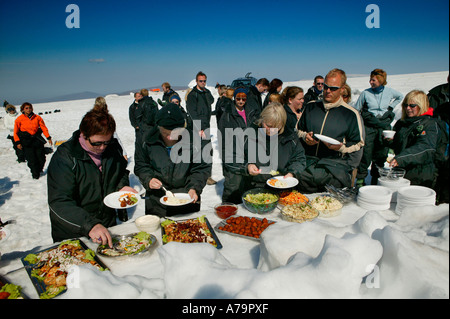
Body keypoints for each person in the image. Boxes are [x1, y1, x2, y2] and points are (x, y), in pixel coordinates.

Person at [47, 108, 134, 246]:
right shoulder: (65, 157)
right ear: (84, 135)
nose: (102, 148)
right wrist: (90, 225)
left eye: (106, 142)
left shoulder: (113, 147)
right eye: (96, 143)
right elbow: (59, 202)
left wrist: (121, 186)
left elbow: (120, 171)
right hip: (75, 231)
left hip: (106, 224)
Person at [134, 103, 211, 217]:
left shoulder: (195, 142)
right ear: (158, 127)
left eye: (175, 133)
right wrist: (148, 179)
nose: (169, 137)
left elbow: (201, 169)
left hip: (186, 198)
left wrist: (194, 187)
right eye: (165, 133)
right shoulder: (146, 140)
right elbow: (141, 165)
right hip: (157, 200)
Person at [297, 68, 365, 193]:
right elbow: (297, 130)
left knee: (329, 209)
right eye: (325, 86)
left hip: (333, 171)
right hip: (307, 169)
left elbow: (359, 143)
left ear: (342, 89)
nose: (328, 91)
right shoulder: (311, 106)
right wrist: (305, 137)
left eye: (333, 88)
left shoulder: (351, 114)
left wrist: (341, 148)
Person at [354, 69, 404, 186]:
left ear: (381, 81)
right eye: (370, 79)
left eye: (373, 80)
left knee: (381, 153)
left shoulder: (390, 92)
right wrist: (365, 115)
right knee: (366, 154)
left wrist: (390, 108)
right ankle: (360, 180)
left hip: (383, 126)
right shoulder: (366, 93)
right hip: (369, 126)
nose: (370, 82)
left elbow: (400, 97)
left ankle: (375, 179)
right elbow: (357, 108)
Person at [385, 90, 440, 188]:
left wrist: (402, 159)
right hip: (401, 170)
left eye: (412, 105)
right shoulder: (402, 123)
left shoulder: (429, 124)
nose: (408, 108)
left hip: (420, 174)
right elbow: (399, 145)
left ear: (421, 105)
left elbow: (425, 147)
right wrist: (389, 141)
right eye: (405, 105)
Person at [246, 102, 306, 189]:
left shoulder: (290, 137)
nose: (271, 130)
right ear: (262, 120)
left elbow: (299, 159)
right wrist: (248, 165)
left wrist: (292, 173)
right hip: (254, 185)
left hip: (281, 184)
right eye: (268, 126)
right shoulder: (250, 133)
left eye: (276, 127)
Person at [218, 87, 258, 203]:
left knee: (247, 183)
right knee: (233, 184)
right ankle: (229, 207)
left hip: (249, 151)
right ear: (234, 98)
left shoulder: (252, 112)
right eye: (238, 98)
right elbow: (223, 138)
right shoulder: (227, 115)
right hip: (234, 151)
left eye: (243, 99)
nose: (241, 101)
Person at [186, 71, 215, 184]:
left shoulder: (205, 92)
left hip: (206, 126)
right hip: (198, 128)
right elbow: (192, 112)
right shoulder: (193, 95)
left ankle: (207, 176)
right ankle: (196, 176)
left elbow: (211, 100)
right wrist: (199, 128)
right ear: (196, 81)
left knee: (208, 151)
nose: (203, 83)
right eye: (200, 81)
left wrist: (206, 92)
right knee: (198, 152)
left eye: (204, 81)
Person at [14, 102, 53, 179]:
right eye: (26, 108)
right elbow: (15, 132)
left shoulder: (37, 117)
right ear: (23, 109)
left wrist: (48, 137)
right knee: (31, 159)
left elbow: (43, 127)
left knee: (41, 157)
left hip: (37, 140)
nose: (28, 109)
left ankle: (39, 169)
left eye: (30, 108)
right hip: (26, 141)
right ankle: (35, 175)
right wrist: (18, 142)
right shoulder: (19, 119)